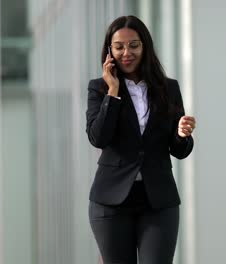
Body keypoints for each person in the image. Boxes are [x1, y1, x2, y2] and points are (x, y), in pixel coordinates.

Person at [85, 15, 196, 264]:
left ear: (144, 46)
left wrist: (182, 134)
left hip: (158, 200)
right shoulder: (99, 89)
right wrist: (112, 92)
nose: (127, 52)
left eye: (134, 45)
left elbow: (179, 150)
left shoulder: (168, 88)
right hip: (111, 202)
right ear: (109, 51)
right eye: (119, 46)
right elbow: (98, 137)